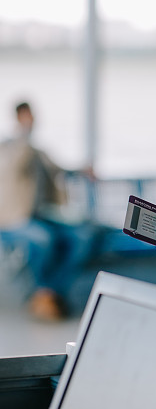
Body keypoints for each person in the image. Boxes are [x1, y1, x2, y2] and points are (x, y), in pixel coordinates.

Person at [0, 101, 96, 321]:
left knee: (81, 237)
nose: (31, 121)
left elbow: (58, 169)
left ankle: (49, 292)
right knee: (42, 240)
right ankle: (44, 292)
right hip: (13, 219)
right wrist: (23, 135)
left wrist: (81, 170)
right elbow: (14, 166)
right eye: (26, 117)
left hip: (43, 216)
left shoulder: (38, 150)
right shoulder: (7, 148)